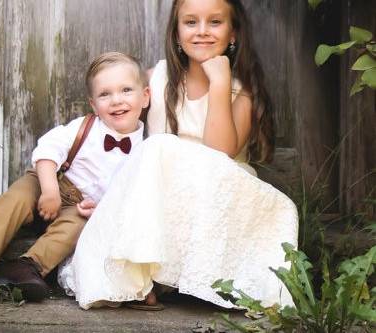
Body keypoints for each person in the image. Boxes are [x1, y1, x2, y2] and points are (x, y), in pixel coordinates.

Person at [58, 0, 298, 310]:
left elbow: (220, 153)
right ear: (176, 33)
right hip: (169, 194)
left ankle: (172, 278)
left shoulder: (240, 93)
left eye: (215, 22)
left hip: (219, 191)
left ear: (233, 33)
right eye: (190, 23)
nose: (202, 32)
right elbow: (120, 135)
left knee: (160, 147)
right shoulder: (155, 80)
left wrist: (220, 83)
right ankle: (136, 278)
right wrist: (113, 196)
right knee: (155, 148)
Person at [0, 52, 150, 302]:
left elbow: (127, 196)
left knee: (77, 227)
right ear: (93, 104)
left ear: (145, 97)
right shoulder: (84, 127)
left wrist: (99, 210)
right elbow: (48, 151)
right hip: (50, 183)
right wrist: (49, 190)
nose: (116, 100)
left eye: (126, 90)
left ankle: (27, 267)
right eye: (105, 94)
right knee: (17, 197)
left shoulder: (146, 150)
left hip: (77, 206)